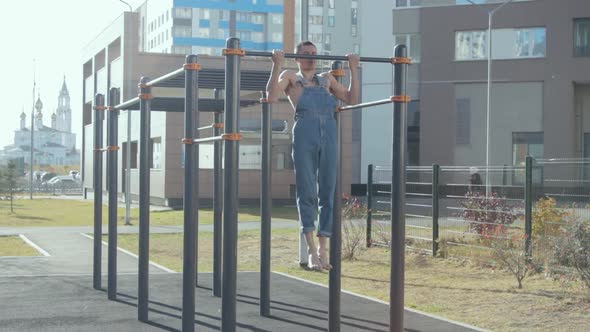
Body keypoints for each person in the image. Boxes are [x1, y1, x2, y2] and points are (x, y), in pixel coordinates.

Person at [266, 41, 359, 271]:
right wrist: (276, 65)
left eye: (314, 54)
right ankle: (309, 249)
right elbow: (270, 96)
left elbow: (351, 99)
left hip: (328, 130)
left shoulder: (327, 78)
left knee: (328, 190)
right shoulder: (289, 76)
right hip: (305, 130)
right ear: (297, 58)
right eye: (305, 54)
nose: (310, 57)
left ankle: (322, 249)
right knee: (306, 190)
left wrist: (354, 69)